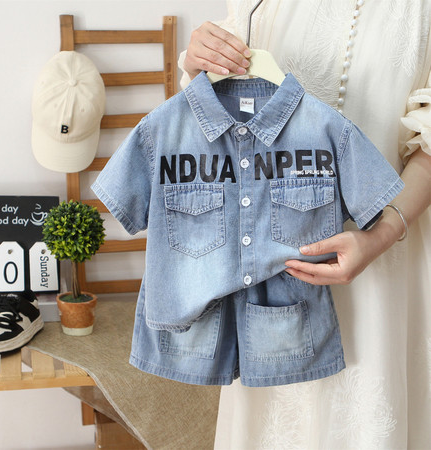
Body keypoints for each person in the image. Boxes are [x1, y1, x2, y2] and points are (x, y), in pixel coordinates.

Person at [178, 1, 431, 448]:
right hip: (271, 271)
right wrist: (200, 64)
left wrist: (380, 236)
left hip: (383, 263)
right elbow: (213, 125)